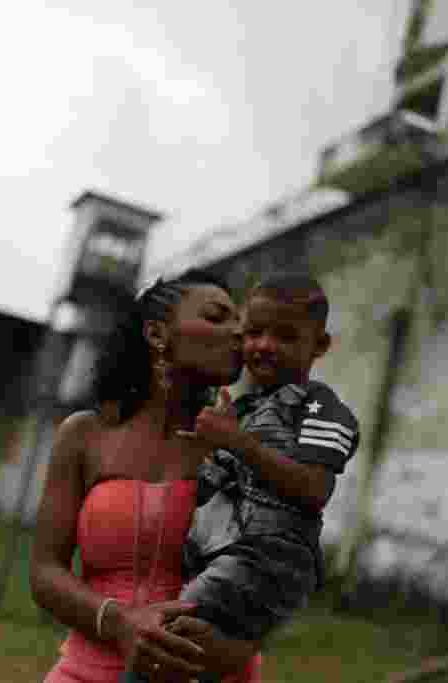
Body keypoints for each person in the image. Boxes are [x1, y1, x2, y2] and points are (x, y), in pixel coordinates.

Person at [30, 269, 264, 683]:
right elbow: (45, 572)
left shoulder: (249, 449)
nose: (238, 332)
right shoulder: (86, 435)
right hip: (85, 671)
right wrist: (121, 623)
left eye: (240, 322)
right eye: (217, 317)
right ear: (157, 334)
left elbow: (272, 581)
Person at [156, 272, 362, 683]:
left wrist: (236, 442)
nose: (264, 345)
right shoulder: (244, 406)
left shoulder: (319, 406)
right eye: (254, 333)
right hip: (226, 551)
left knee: (164, 639)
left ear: (319, 345)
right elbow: (216, 482)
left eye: (285, 336)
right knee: (196, 655)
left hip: (269, 557)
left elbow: (314, 489)